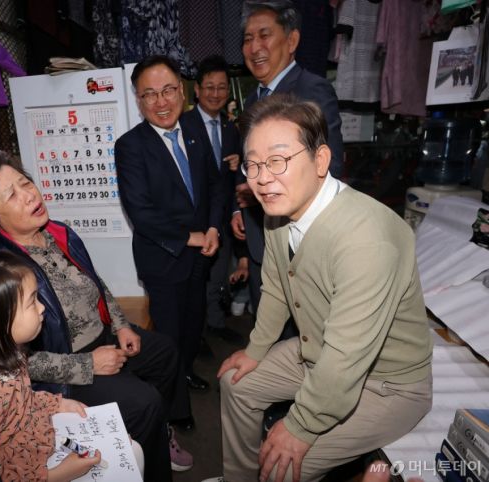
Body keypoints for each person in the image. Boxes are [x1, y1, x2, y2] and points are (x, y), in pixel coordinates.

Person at [215, 94, 433, 482]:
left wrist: (300, 425)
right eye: (254, 164)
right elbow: (276, 288)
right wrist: (256, 350)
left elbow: (346, 356)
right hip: (317, 352)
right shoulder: (277, 213)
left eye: (278, 160)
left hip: (387, 384)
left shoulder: (367, 239)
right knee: (237, 383)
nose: (262, 178)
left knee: (281, 466)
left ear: (320, 160)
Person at [0, 154, 191, 481]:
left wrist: (121, 324)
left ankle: (160, 431)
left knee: (164, 352)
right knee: (143, 402)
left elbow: (95, 282)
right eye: (12, 195)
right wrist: (87, 365)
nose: (29, 195)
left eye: (25, 183)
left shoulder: (58, 232)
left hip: (102, 336)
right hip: (61, 367)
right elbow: (7, 358)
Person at [115, 55, 227, 393]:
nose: (161, 102)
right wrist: (192, 237)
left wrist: (213, 228)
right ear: (138, 100)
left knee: (194, 325)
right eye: (149, 94)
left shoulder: (195, 130)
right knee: (169, 336)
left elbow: (215, 184)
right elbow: (141, 213)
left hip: (200, 255)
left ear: (181, 90)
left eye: (167, 90)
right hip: (163, 259)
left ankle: (186, 372)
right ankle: (175, 405)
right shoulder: (130, 146)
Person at [0, 250, 103, 482]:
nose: (42, 308)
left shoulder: (10, 354)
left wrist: (56, 404)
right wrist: (57, 475)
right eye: (32, 302)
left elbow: (23, 402)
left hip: (42, 444)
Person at [231, 0, 344, 315]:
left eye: (264, 35)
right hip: (260, 240)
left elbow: (330, 169)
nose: (255, 47)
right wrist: (239, 207)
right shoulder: (252, 99)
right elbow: (249, 162)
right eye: (248, 39)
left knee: (303, 331)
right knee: (266, 326)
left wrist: (260, 192)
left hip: (299, 245)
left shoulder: (312, 90)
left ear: (292, 40)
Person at [181, 54, 245, 345]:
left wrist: (239, 165)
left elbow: (233, 176)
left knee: (218, 277)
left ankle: (216, 324)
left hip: (223, 216)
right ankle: (197, 338)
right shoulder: (182, 124)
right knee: (194, 281)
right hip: (194, 220)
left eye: (221, 87)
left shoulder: (231, 128)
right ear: (197, 89)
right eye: (209, 87)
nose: (215, 94)